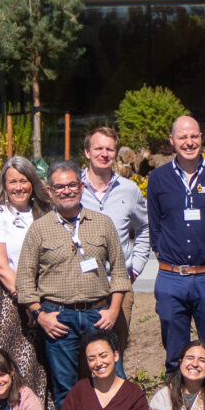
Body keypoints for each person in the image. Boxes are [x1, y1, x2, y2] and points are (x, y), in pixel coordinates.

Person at [17, 166, 131, 399]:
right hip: (58, 318)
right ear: (50, 191)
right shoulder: (39, 229)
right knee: (65, 388)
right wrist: (40, 315)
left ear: (80, 188)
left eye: (72, 185)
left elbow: (120, 271)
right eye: (60, 187)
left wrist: (113, 310)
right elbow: (25, 280)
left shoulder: (103, 223)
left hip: (99, 315)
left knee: (114, 379)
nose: (66, 191)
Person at [147, 115, 205, 379]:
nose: (189, 142)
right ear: (172, 140)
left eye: (194, 136)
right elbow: (154, 224)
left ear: (201, 137)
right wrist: (164, 253)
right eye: (182, 137)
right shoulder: (158, 178)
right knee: (175, 355)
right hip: (172, 277)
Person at [0, 157, 51, 401]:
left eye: (24, 181)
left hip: (46, 297)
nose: (19, 187)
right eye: (12, 181)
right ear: (4, 185)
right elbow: (0, 266)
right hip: (10, 300)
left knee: (46, 367)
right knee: (20, 367)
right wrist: (30, 302)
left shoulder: (46, 212)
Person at [81, 125, 153, 342]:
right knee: (82, 356)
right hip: (80, 286)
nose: (104, 154)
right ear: (87, 152)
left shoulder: (129, 190)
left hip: (119, 286)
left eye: (110, 150)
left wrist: (136, 268)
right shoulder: (73, 189)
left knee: (116, 352)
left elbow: (144, 228)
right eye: (98, 149)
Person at [53, 333, 152, 410]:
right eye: (91, 359)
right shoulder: (79, 390)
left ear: (116, 356)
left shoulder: (133, 393)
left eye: (103, 356)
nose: (98, 363)